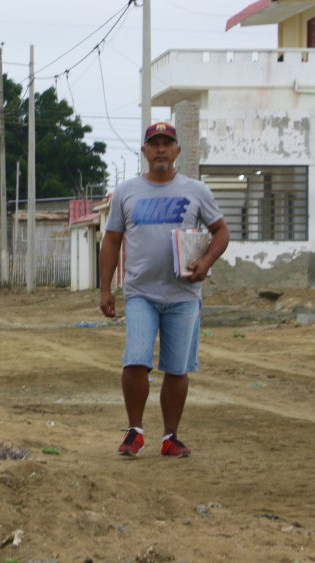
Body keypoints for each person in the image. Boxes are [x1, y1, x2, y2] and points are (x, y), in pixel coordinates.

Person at [98, 120, 230, 458]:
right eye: (154, 143)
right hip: (141, 292)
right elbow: (111, 241)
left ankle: (170, 437)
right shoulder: (126, 192)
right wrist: (106, 290)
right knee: (136, 360)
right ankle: (135, 431)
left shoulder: (196, 191)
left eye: (167, 143)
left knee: (176, 368)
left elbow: (221, 232)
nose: (160, 149)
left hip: (184, 296)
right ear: (143, 151)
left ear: (177, 151)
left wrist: (206, 263)